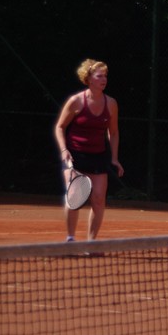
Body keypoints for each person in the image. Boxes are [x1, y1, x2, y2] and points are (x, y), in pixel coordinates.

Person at [54, 59, 124, 248]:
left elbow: (113, 132)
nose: (104, 79)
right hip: (74, 155)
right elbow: (60, 127)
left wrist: (114, 158)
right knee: (75, 197)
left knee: (99, 199)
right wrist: (64, 150)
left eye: (105, 76)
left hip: (98, 156)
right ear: (89, 79)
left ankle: (91, 243)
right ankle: (70, 239)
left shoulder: (111, 104)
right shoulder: (76, 101)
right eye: (99, 76)